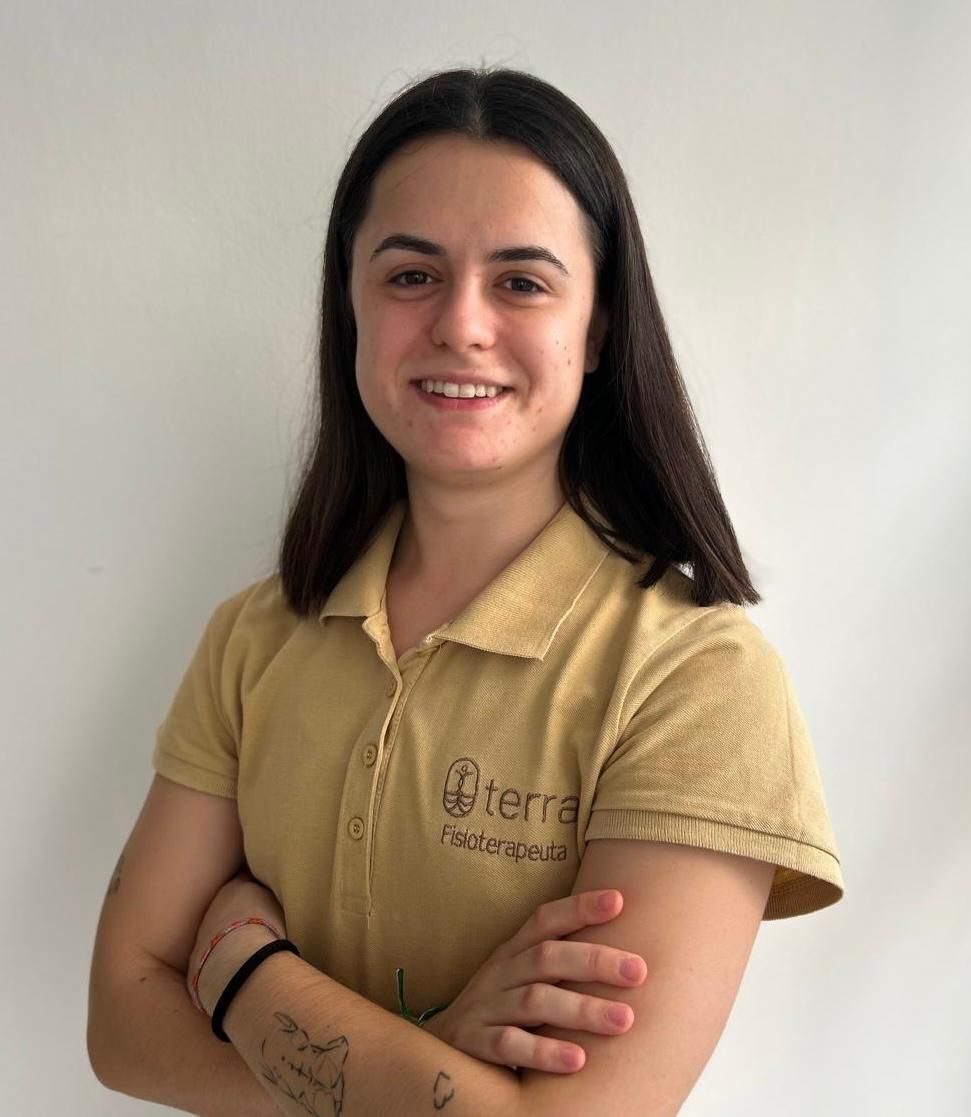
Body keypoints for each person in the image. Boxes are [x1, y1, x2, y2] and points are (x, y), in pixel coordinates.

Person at [88, 66, 844, 1116]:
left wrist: (241, 968)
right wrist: (428, 1055)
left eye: (522, 281)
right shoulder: (253, 639)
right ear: (346, 305)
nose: (461, 324)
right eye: (409, 275)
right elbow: (120, 1025)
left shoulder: (695, 681)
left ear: (603, 324)